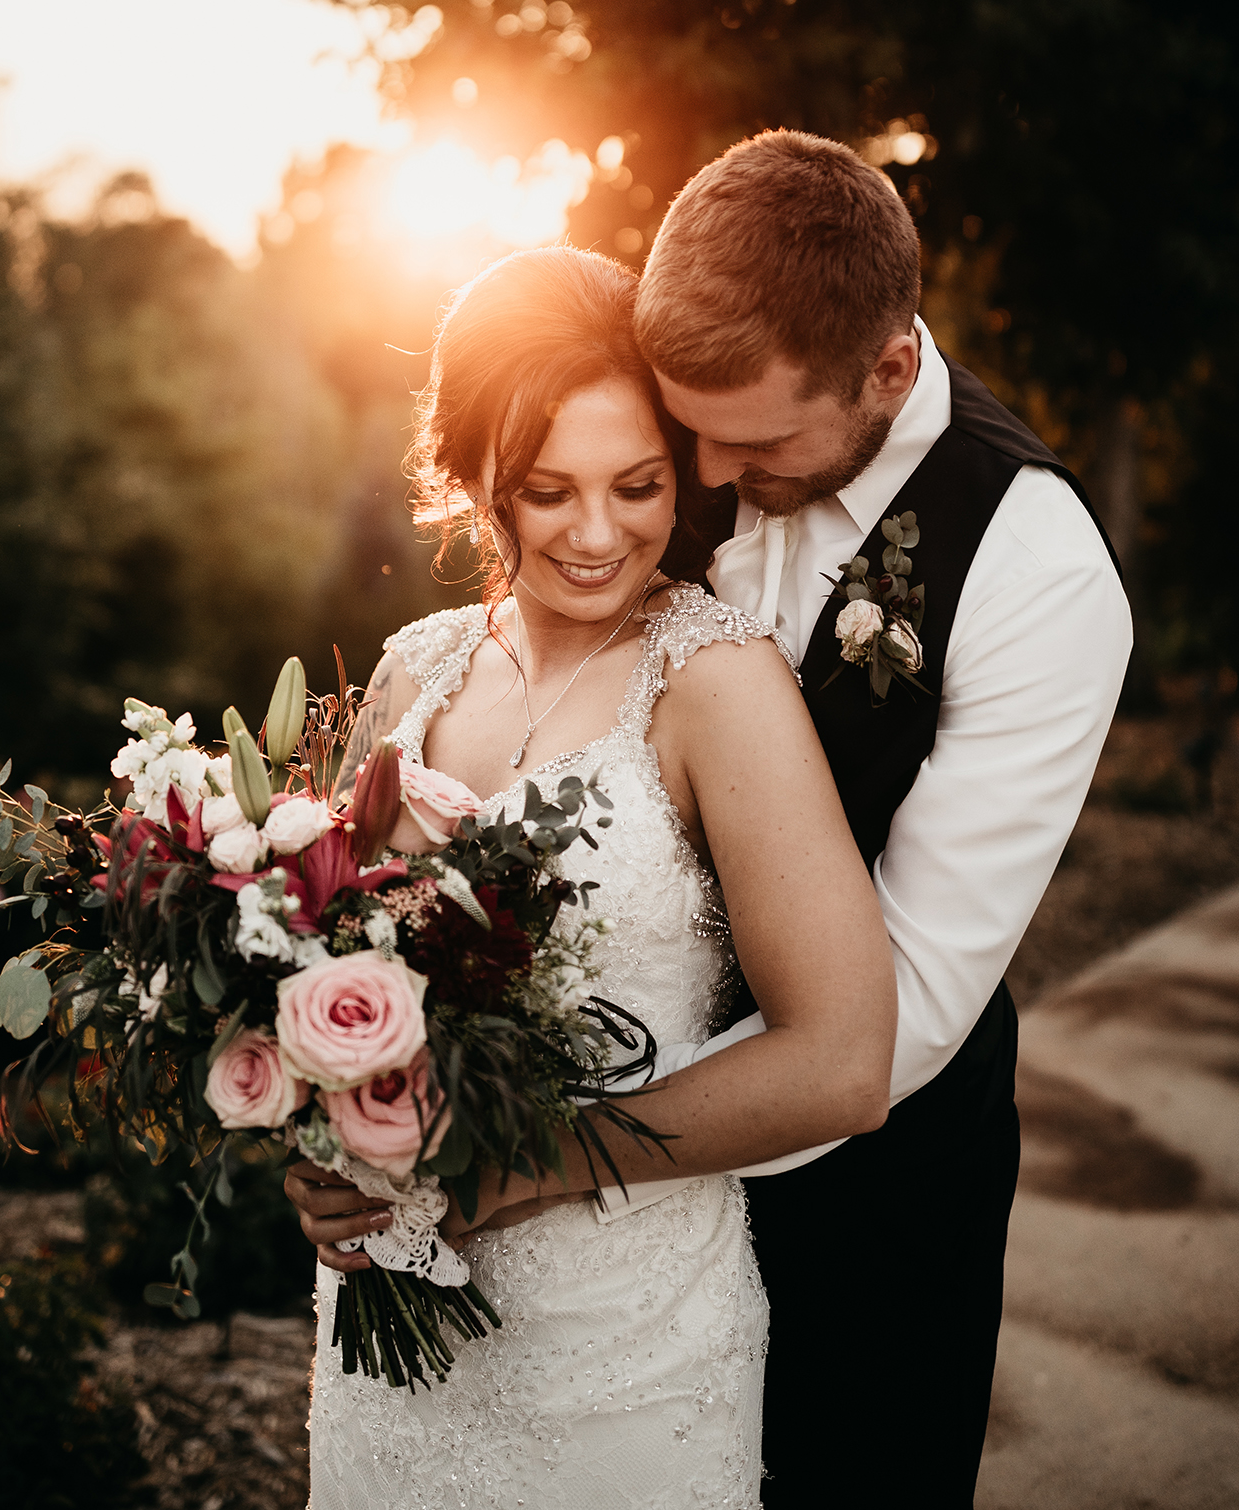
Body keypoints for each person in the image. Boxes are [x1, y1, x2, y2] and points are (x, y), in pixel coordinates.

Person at [290, 243, 897, 1510]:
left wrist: (528, 1166)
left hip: (622, 1359)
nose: (597, 532)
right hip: (389, 1360)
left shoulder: (716, 680)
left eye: (635, 485)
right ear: (472, 476)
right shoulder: (415, 671)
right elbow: (324, 972)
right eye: (546, 489)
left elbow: (842, 1059)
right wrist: (317, 1161)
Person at [619, 128, 1134, 1506]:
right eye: (689, 431)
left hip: (871, 1201)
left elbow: (896, 1004)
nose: (706, 477)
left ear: (888, 367)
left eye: (757, 439)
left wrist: (595, 1146)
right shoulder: (696, 426)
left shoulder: (1034, 570)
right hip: (604, 1184)